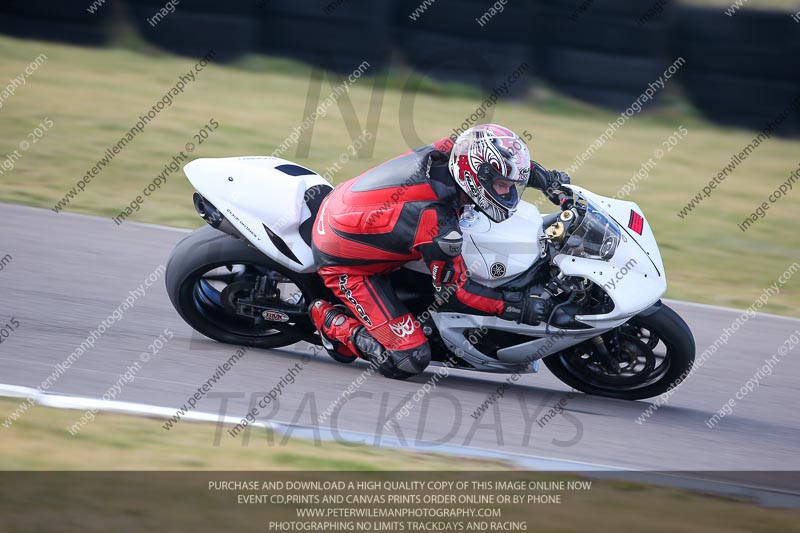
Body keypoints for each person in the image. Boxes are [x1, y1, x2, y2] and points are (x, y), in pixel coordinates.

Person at [309, 124, 571, 378]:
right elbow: (454, 293)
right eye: (502, 185)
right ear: (476, 178)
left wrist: (548, 180)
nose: (508, 192)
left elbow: (496, 160)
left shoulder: (454, 150)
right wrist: (516, 307)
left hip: (350, 206)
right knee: (408, 359)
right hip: (345, 263)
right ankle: (331, 322)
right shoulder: (437, 225)